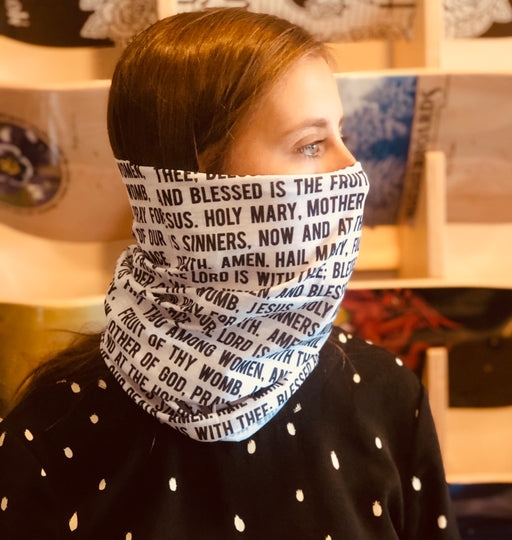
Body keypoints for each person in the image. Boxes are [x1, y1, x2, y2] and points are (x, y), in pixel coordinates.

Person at [0, 8, 459, 539]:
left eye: (342, 135)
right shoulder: (50, 435)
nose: (351, 171)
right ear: (191, 187)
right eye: (310, 145)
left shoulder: (387, 399)